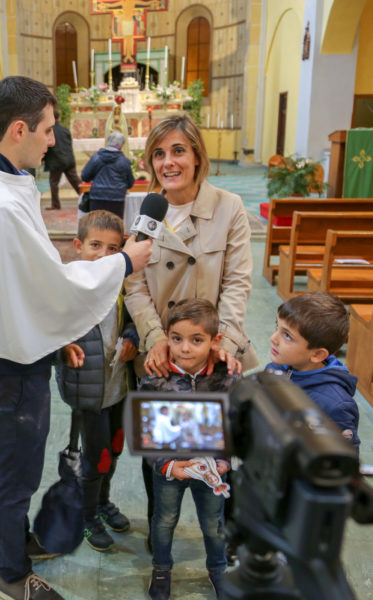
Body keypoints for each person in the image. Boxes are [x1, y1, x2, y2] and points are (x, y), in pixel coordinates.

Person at [0, 75, 152, 600]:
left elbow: (16, 285)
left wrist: (55, 339)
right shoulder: (0, 203)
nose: (53, 140)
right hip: (7, 366)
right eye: (48, 130)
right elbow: (52, 284)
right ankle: (11, 576)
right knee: (13, 476)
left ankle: (17, 542)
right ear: (19, 129)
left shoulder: (2, 181)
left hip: (11, 347)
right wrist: (125, 261)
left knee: (20, 466)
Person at [123, 113, 258, 546]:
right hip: (164, 353)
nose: (168, 162)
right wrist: (154, 338)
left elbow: (237, 281)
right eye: (159, 154)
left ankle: (227, 532)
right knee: (162, 446)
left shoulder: (228, 207)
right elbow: (133, 283)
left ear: (197, 155)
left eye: (178, 151)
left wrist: (225, 342)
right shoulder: (145, 210)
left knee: (220, 444)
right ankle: (159, 531)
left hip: (212, 350)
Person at [139, 299, 240, 600]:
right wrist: (167, 465)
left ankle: (218, 570)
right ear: (166, 337)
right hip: (170, 469)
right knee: (164, 521)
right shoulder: (154, 379)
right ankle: (161, 569)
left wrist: (225, 461)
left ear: (215, 341)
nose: (185, 349)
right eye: (176, 339)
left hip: (212, 470)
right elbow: (146, 432)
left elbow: (237, 427)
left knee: (213, 523)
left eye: (197, 340)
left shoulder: (227, 377)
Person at [53, 210, 138, 553]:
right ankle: (87, 517)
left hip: (119, 386)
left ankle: (102, 502)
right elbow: (51, 332)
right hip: (88, 391)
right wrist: (62, 350)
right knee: (94, 457)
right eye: (95, 245)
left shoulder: (122, 285)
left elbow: (132, 319)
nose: (104, 255)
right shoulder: (69, 287)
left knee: (113, 449)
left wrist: (131, 336)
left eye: (113, 248)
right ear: (78, 246)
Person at [266, 291, 360, 448]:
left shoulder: (335, 406)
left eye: (287, 336)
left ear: (317, 354)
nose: (273, 338)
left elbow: (343, 457)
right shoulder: (276, 368)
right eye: (277, 326)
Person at [81, 131, 134, 218]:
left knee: (96, 223)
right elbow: (130, 183)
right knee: (114, 224)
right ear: (122, 145)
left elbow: (85, 176)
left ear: (107, 142)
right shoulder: (124, 161)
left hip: (97, 197)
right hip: (117, 199)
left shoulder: (96, 157)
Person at [43, 109, 81, 210]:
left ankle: (56, 204)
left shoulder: (49, 130)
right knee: (76, 182)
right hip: (68, 159)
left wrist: (44, 159)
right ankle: (87, 199)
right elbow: (69, 144)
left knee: (54, 183)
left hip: (56, 160)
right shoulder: (65, 130)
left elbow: (47, 146)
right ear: (59, 118)